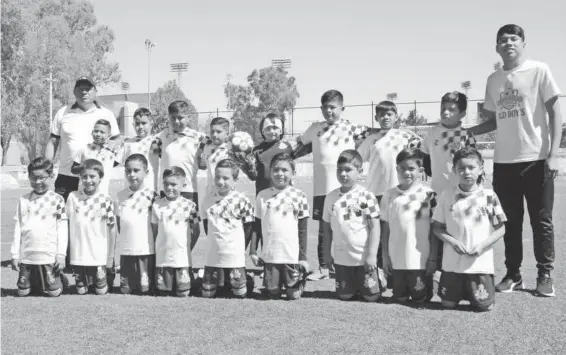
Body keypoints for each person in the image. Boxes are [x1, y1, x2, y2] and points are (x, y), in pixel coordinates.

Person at [468, 24, 562, 296]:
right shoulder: (493, 79)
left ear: (523, 43)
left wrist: (553, 154)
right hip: (504, 162)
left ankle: (545, 273)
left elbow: (556, 112)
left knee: (541, 220)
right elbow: (493, 121)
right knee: (508, 221)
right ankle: (513, 274)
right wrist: (467, 131)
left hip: (537, 159)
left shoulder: (539, 70)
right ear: (496, 47)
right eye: (503, 40)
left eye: (514, 38)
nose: (508, 43)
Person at [297, 90, 372, 280]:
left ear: (342, 108)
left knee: (346, 225)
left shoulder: (353, 129)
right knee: (324, 227)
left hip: (346, 189)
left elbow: (369, 141)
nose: (328, 111)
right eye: (325, 107)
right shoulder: (315, 128)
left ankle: (348, 263)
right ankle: (324, 268)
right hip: (322, 188)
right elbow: (299, 145)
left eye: (333, 107)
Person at [432, 148, 506, 311]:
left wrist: (482, 246)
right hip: (452, 264)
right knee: (447, 305)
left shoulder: (489, 196)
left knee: (484, 307)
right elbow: (437, 228)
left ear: (480, 169)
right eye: (461, 168)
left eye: (471, 167)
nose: (466, 172)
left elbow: (501, 229)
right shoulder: (446, 195)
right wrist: (452, 242)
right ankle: (442, 281)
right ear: (454, 170)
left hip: (479, 263)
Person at [45, 76, 120, 201]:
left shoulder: (106, 114)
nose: (84, 92)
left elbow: (118, 139)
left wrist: (112, 144)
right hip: (66, 176)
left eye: (88, 89)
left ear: (95, 91)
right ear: (74, 91)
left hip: (93, 178)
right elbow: (53, 142)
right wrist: (47, 167)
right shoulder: (63, 113)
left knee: (91, 216)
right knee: (62, 217)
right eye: (80, 89)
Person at [322, 150, 382, 301]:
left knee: (371, 297)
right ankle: (352, 285)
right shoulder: (330, 198)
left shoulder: (367, 196)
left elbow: (375, 227)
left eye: (348, 170)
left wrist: (372, 255)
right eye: (340, 169)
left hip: (363, 258)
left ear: (360, 171)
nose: (343, 174)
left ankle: (380, 277)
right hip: (342, 259)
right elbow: (326, 229)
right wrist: (327, 255)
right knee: (344, 296)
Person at [250, 153, 310, 300]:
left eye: (284, 170)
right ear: (270, 173)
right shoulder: (262, 195)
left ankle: (298, 281)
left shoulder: (299, 196)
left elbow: (302, 230)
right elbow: (256, 226)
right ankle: (271, 283)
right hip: (271, 254)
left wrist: (302, 257)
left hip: (291, 254)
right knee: (273, 294)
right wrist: (253, 251)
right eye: (276, 170)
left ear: (293, 173)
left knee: (293, 295)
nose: (280, 173)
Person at [380, 148, 437, 303]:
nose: (406, 173)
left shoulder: (429, 195)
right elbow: (385, 229)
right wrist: (385, 256)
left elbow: (434, 230)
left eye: (411, 169)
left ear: (421, 170)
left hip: (420, 260)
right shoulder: (389, 195)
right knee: (400, 298)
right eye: (402, 169)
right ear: (396, 169)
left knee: (421, 299)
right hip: (397, 259)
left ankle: (433, 283)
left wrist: (433, 257)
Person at [10, 157, 68, 297]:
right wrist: (14, 254)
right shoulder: (23, 200)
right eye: (34, 178)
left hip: (49, 255)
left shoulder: (57, 200)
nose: (38, 182)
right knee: (23, 292)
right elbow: (18, 226)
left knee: (54, 293)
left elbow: (62, 228)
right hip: (27, 256)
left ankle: (58, 279)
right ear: (29, 177)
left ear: (51, 176)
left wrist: (61, 255)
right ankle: (34, 281)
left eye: (42, 178)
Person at [200, 159, 255, 298]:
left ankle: (247, 279)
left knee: (239, 293)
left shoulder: (242, 200)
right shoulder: (208, 199)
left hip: (234, 252)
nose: (220, 181)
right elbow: (207, 225)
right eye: (217, 177)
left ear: (235, 180)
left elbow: (248, 227)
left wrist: (240, 246)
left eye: (226, 178)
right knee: (207, 293)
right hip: (214, 252)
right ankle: (217, 280)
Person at [66, 159, 118, 295]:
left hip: (99, 254)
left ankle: (105, 275)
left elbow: (112, 229)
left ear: (100, 178)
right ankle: (79, 277)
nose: (88, 180)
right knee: (81, 291)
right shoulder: (73, 197)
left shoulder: (106, 199)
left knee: (101, 291)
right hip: (79, 253)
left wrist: (110, 256)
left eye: (92, 176)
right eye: (84, 177)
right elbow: (65, 224)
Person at [358, 101, 422, 202]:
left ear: (396, 117)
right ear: (376, 118)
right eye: (382, 115)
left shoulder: (405, 136)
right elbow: (358, 158)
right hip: (376, 190)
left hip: (399, 189)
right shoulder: (371, 139)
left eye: (389, 114)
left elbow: (420, 150)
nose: (386, 117)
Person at [151, 166, 200, 297]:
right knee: (163, 292)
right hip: (163, 257)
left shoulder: (190, 205)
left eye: (173, 184)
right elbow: (154, 230)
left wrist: (187, 247)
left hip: (182, 257)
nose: (169, 188)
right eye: (166, 184)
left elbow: (196, 230)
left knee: (183, 293)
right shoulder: (157, 205)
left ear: (183, 185)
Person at [115, 154, 159, 295]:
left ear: (146, 172)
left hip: (145, 250)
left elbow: (155, 226)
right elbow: (119, 222)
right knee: (125, 290)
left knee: (145, 289)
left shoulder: (153, 197)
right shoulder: (120, 196)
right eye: (128, 170)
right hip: (127, 249)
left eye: (136, 170)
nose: (132, 174)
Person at [420, 92, 476, 194]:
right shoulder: (431, 133)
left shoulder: (468, 135)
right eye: (443, 108)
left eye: (451, 110)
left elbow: (474, 162)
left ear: (462, 114)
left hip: (461, 191)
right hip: (437, 190)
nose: (445, 112)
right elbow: (424, 157)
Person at [155, 100, 206, 206]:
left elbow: (213, 143)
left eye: (180, 117)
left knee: (191, 221)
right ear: (168, 117)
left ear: (188, 117)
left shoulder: (198, 137)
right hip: (167, 190)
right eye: (173, 118)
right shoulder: (162, 136)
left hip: (188, 190)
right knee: (166, 221)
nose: (176, 121)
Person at [239, 113, 295, 196]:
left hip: (285, 195)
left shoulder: (287, 147)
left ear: (281, 130)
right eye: (268, 128)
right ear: (263, 131)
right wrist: (244, 165)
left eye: (275, 128)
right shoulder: (256, 151)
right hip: (264, 197)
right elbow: (253, 176)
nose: (272, 131)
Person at [72, 119, 120, 195]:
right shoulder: (84, 149)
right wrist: (83, 167)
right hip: (83, 193)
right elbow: (73, 169)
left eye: (102, 132)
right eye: (96, 131)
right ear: (92, 132)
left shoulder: (112, 153)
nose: (98, 134)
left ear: (109, 135)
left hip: (102, 194)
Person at [118, 108, 160, 191]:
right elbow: (116, 161)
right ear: (133, 124)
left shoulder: (157, 142)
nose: (140, 127)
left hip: (150, 187)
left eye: (144, 123)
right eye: (137, 123)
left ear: (151, 123)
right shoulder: (128, 143)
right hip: (130, 187)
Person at [197, 116, 232, 194]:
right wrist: (200, 149)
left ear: (227, 133)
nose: (214, 135)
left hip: (227, 195)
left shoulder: (231, 150)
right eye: (212, 131)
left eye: (218, 132)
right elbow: (202, 166)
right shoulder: (207, 148)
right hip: (211, 193)